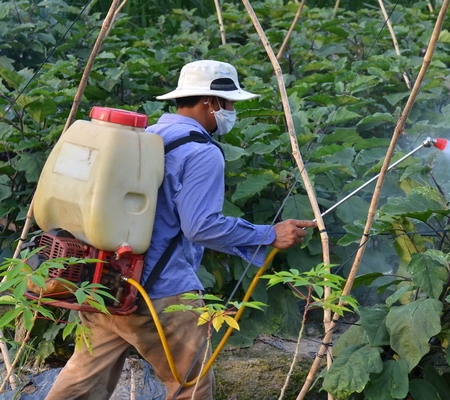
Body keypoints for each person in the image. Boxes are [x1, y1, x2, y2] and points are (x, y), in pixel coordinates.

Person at [46, 60, 317, 400]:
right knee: (191, 386)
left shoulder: (146, 138)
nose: (232, 110)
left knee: (81, 382)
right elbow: (201, 226)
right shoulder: (202, 153)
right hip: (160, 294)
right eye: (229, 102)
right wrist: (268, 234)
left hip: (105, 284)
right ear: (210, 102)